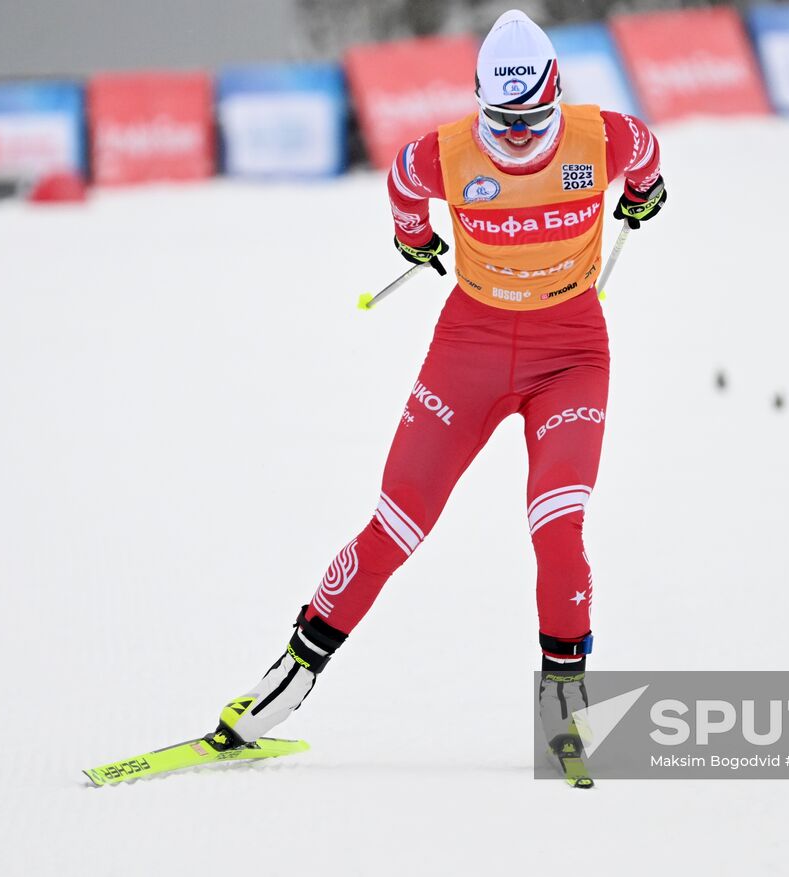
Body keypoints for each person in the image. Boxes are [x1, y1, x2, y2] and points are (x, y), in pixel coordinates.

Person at [207, 8, 666, 778]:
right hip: (471, 351)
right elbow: (402, 186)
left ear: (558, 94)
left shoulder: (604, 136)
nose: (518, 137)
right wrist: (413, 239)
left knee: (557, 526)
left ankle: (563, 703)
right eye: (501, 121)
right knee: (396, 525)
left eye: (533, 120)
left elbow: (648, 157)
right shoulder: (444, 155)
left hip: (571, 356)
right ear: (478, 102)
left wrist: (644, 196)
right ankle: (284, 679)